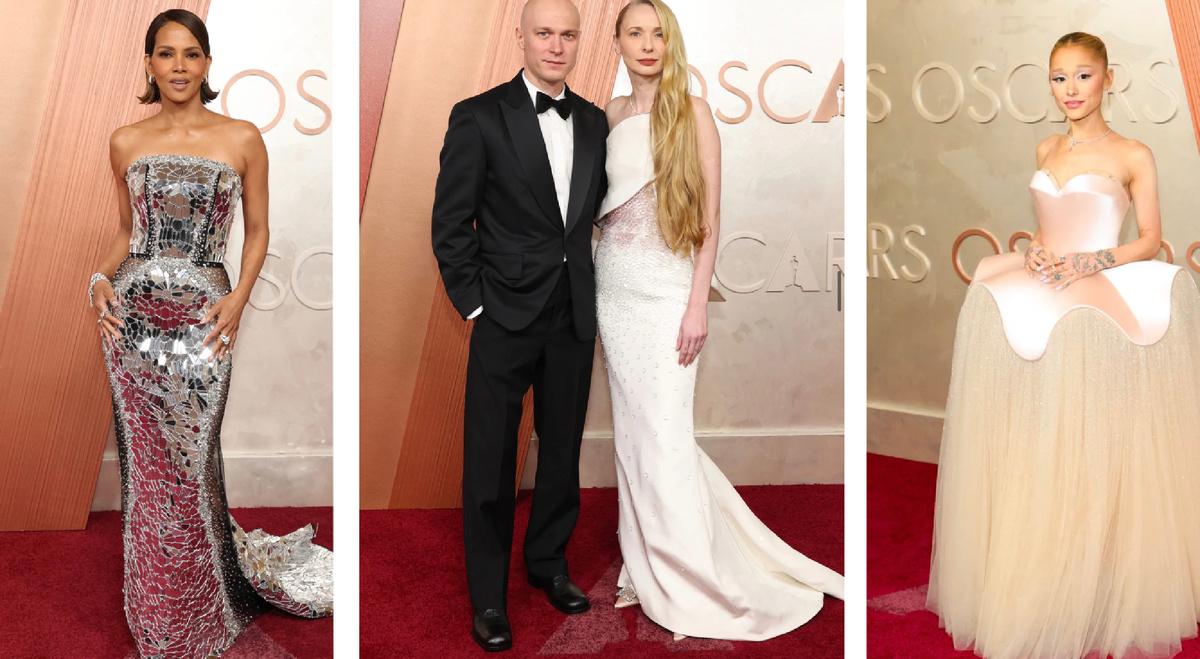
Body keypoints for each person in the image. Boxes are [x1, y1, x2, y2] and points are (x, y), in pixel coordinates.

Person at [927, 31, 1200, 659]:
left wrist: (1087, 262)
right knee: (1041, 435)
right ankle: (1046, 569)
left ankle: (1106, 576)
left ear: (1108, 79)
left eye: (1082, 75)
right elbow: (1047, 228)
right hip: (1041, 291)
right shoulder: (1046, 147)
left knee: (1102, 435)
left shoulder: (1133, 153)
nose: (1070, 89)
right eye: (1058, 77)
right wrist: (1035, 251)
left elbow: (1150, 238)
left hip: (1097, 299)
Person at [594, 0, 844, 642]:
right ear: (617, 42)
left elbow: (708, 218)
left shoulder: (694, 111)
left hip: (669, 290)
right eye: (635, 33)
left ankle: (694, 579)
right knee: (633, 436)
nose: (647, 44)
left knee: (666, 435)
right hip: (613, 289)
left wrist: (697, 302)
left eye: (658, 33)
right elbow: (596, 209)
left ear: (670, 42)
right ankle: (645, 564)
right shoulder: (608, 116)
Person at [87, 10, 332, 657]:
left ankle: (201, 598)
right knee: (146, 468)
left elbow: (259, 230)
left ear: (207, 63)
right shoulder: (125, 141)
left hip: (204, 316)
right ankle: (157, 610)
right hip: (132, 323)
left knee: (191, 464)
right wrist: (99, 280)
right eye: (166, 53)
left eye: (190, 53)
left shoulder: (241, 137)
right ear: (149, 63)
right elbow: (125, 234)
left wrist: (238, 299)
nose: (178, 65)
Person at [429, 0, 609, 651]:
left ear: (578, 42)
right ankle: (488, 597)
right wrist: (477, 304)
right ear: (521, 37)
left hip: (573, 312)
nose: (556, 46)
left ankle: (548, 564)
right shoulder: (478, 115)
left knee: (561, 451)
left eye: (568, 35)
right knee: (490, 459)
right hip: (503, 313)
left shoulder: (594, 120)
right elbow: (451, 222)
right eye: (544, 33)